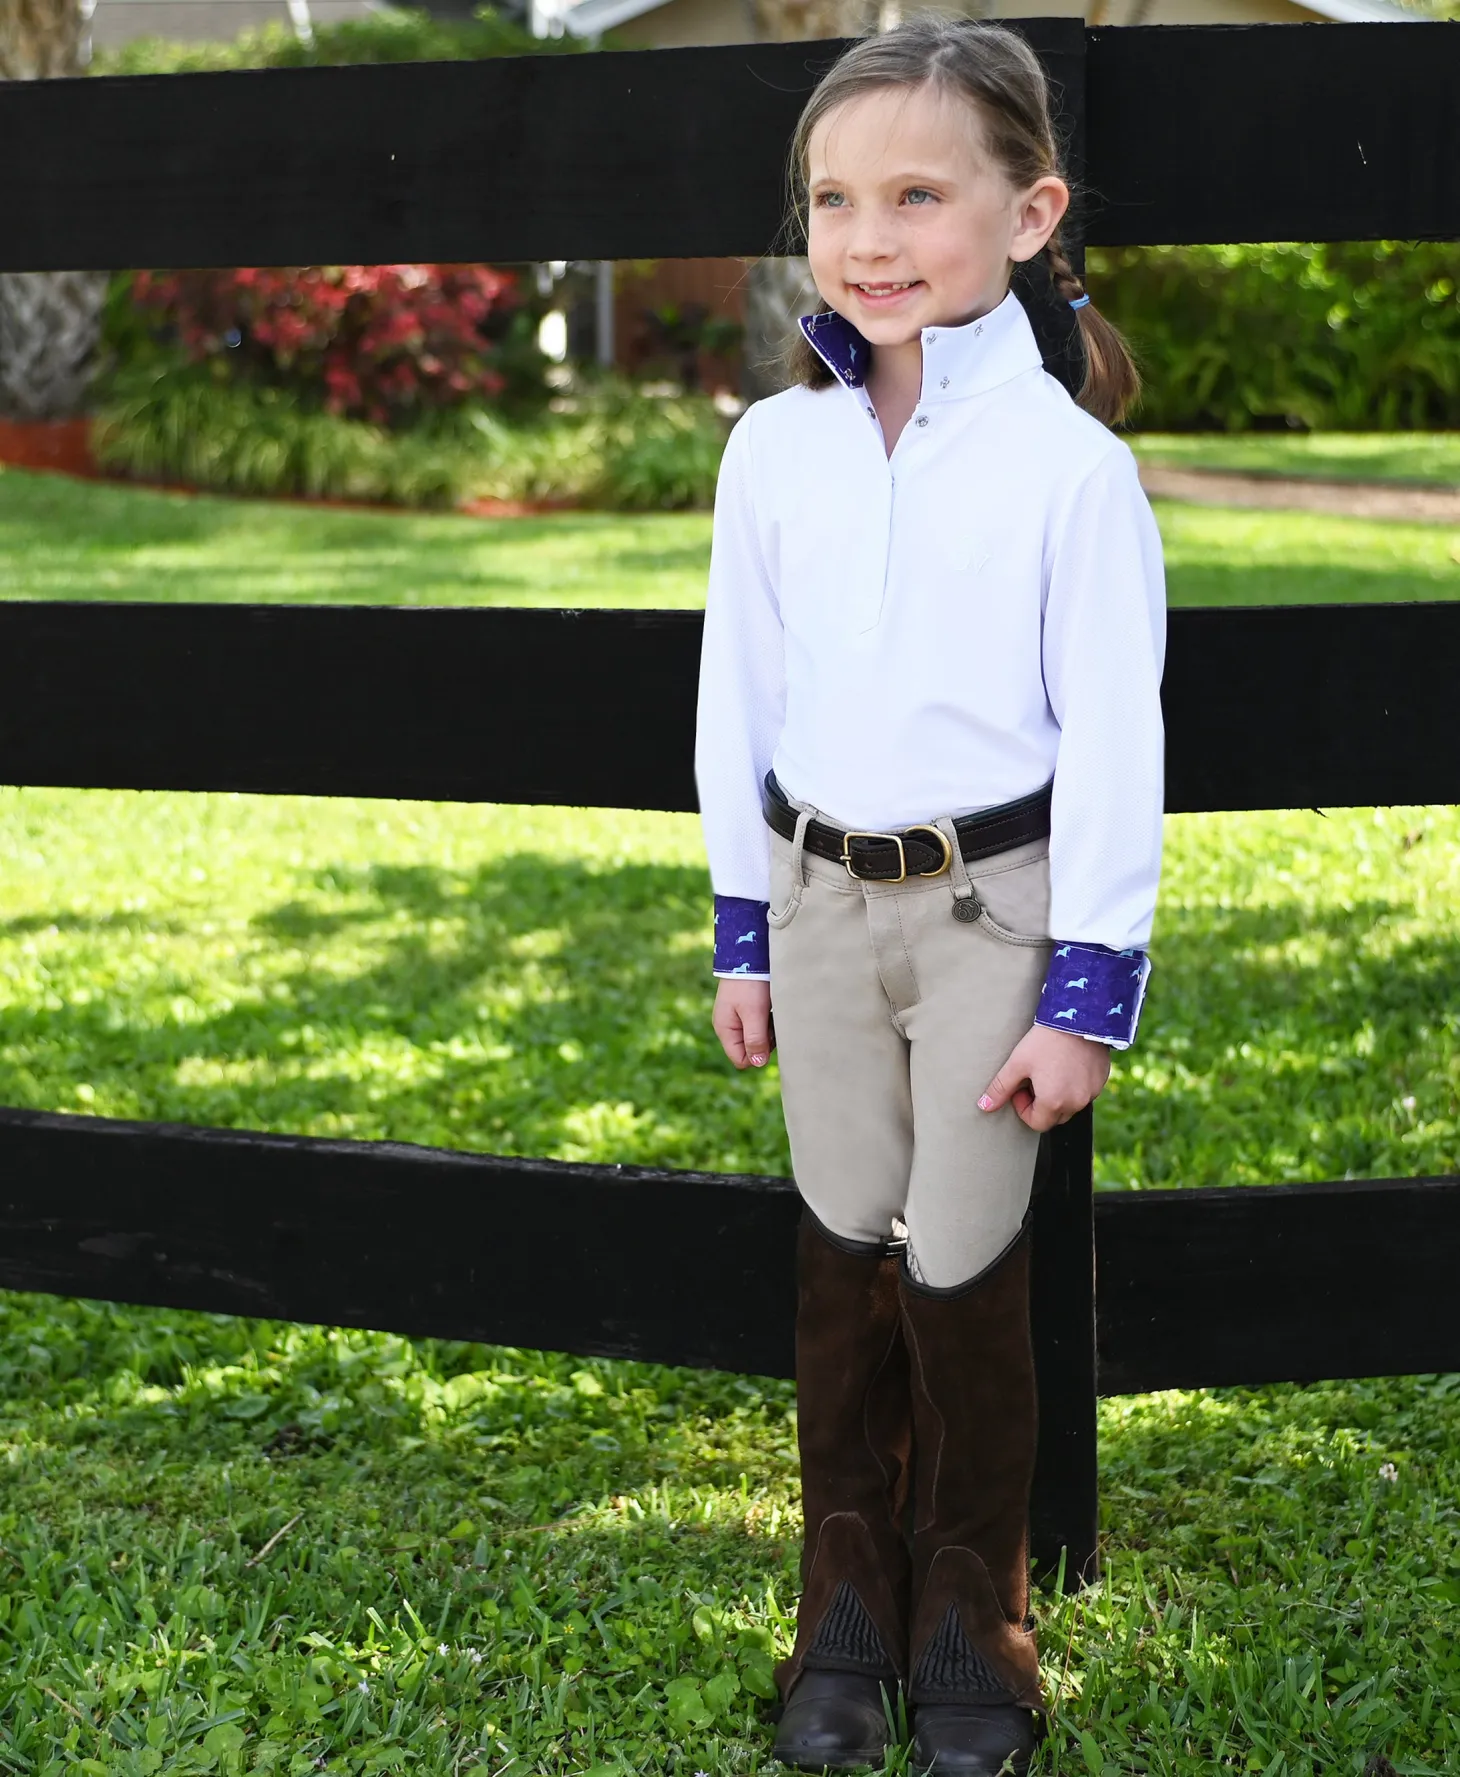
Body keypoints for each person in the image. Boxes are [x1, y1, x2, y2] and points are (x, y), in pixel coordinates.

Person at [693, 14, 1166, 1777]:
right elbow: (737, 700)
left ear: (1030, 214)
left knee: (964, 1259)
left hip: (996, 921)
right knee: (840, 1246)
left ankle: (976, 1608)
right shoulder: (775, 450)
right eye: (834, 199)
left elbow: (1116, 737)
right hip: (818, 909)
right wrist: (744, 930)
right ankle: (846, 1598)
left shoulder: (1072, 471)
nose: (867, 237)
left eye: (916, 195)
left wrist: (1086, 992)